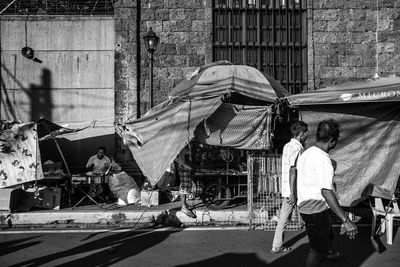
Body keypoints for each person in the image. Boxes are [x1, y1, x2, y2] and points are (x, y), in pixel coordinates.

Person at [296, 119, 358, 267]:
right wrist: (346, 220)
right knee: (317, 251)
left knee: (326, 233)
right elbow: (326, 191)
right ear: (331, 141)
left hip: (307, 206)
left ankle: (331, 253)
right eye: (335, 141)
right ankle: (326, 252)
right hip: (315, 210)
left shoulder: (306, 153)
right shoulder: (323, 159)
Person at [271, 121, 308, 253]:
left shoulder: (287, 146)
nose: (307, 136)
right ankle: (319, 245)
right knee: (310, 215)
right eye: (306, 134)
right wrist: (293, 193)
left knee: (284, 218)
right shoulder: (297, 148)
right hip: (295, 190)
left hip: (288, 188)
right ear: (302, 134)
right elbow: (293, 170)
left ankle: (276, 245)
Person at [175, 147, 197, 219]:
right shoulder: (183, 148)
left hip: (185, 167)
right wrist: (190, 167)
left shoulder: (186, 147)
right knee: (184, 187)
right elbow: (182, 160)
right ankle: (184, 207)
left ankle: (185, 204)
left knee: (186, 187)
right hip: (184, 167)